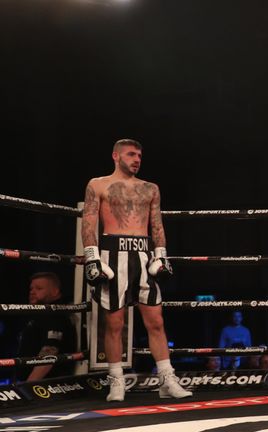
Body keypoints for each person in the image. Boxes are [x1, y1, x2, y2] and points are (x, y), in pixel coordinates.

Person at [81, 138, 191, 401]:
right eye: (131, 154)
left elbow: (157, 224)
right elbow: (88, 221)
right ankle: (116, 382)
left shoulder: (150, 188)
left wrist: (161, 255)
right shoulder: (98, 184)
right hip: (111, 253)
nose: (137, 159)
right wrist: (92, 258)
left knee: (156, 321)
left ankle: (167, 380)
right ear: (116, 156)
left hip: (143, 256)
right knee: (115, 324)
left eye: (139, 155)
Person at [16, 272, 76, 382]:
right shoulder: (41, 314)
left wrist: (28, 386)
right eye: (31, 289)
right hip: (36, 384)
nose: (32, 292)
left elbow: (49, 355)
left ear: (55, 291)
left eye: (39, 288)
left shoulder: (54, 314)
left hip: (46, 386)